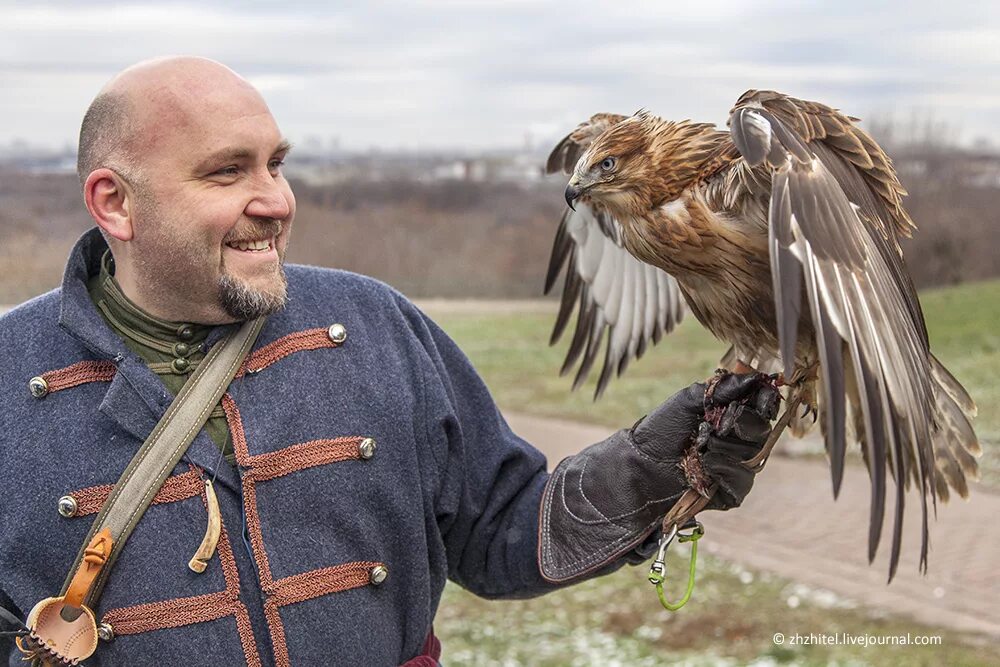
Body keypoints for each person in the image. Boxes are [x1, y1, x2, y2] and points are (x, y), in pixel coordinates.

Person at [0, 57, 778, 666]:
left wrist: (656, 465)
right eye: (227, 171)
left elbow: (504, 531)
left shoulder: (373, 324)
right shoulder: (9, 372)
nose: (276, 199)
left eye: (277, 162)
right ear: (114, 203)